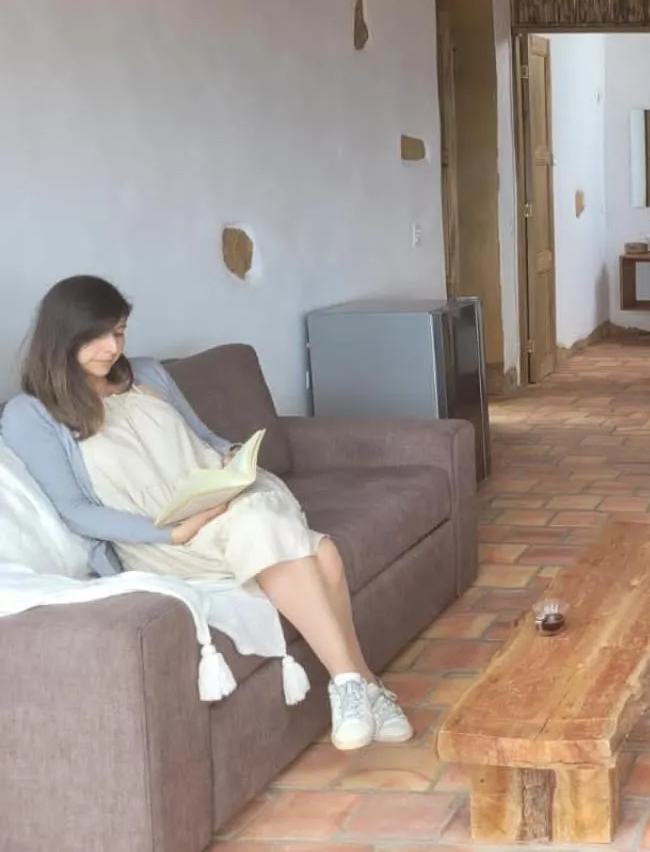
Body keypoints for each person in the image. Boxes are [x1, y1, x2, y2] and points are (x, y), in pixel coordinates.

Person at [0, 275, 411, 751]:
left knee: (304, 541)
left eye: (120, 332)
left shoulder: (148, 374)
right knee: (317, 551)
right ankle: (360, 684)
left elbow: (205, 438)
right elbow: (76, 511)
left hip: (222, 501)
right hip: (162, 537)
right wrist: (173, 533)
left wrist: (230, 457)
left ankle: (352, 689)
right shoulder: (31, 414)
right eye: (99, 335)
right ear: (63, 335)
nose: (113, 347)